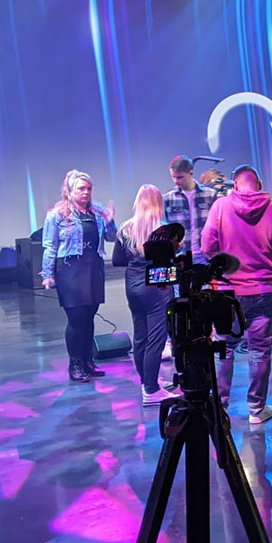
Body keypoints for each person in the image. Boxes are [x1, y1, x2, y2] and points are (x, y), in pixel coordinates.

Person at [201, 164, 272, 425]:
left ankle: (219, 407)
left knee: (223, 347)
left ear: (235, 185)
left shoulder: (220, 207)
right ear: (259, 184)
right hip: (264, 291)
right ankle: (256, 409)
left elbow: (207, 247)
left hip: (227, 291)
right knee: (259, 350)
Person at [41, 170, 116, 383]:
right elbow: (50, 246)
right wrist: (47, 274)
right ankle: (74, 364)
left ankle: (87, 361)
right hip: (70, 270)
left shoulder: (97, 212)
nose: (86, 192)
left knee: (89, 316)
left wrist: (110, 221)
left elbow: (112, 237)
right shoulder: (57, 215)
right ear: (70, 190)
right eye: (81, 188)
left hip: (93, 269)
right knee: (77, 318)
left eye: (88, 188)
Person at [113, 184, 180, 405]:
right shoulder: (164, 231)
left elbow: (118, 260)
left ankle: (146, 383)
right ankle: (151, 389)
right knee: (156, 338)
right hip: (157, 283)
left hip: (132, 285)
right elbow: (172, 259)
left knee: (140, 336)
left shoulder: (125, 229)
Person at [164, 155, 218, 265]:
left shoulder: (210, 195)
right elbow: (166, 229)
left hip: (207, 256)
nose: (176, 181)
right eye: (173, 177)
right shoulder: (168, 198)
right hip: (181, 257)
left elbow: (217, 226)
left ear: (191, 174)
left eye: (180, 177)